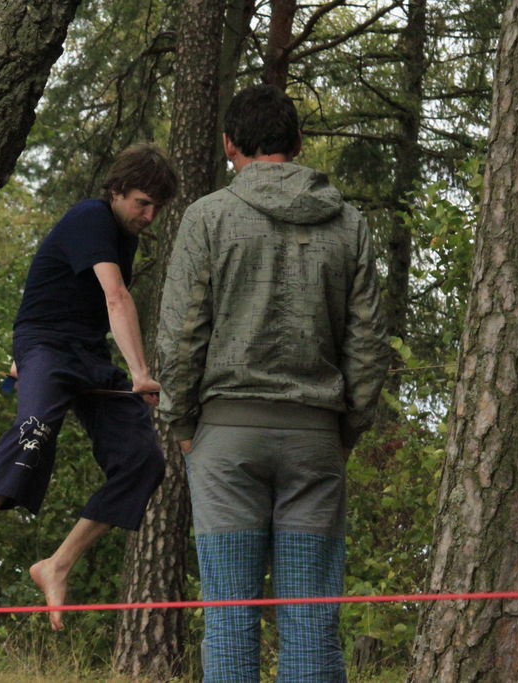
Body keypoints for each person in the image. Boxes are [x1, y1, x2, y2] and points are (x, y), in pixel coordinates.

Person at [156, 85, 389, 681]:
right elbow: (367, 343)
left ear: (229, 144)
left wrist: (182, 424)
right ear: (298, 144)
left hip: (226, 443)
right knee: (311, 621)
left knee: (231, 619)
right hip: (316, 441)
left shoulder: (207, 217)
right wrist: (348, 428)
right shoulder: (350, 224)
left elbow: (182, 334)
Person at [0, 143, 177, 631]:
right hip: (46, 347)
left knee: (145, 460)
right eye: (143, 202)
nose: (150, 215)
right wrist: (140, 373)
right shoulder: (91, 217)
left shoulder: (127, 237)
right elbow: (116, 297)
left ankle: (57, 565)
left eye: (157, 207)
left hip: (88, 356)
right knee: (33, 429)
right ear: (117, 191)